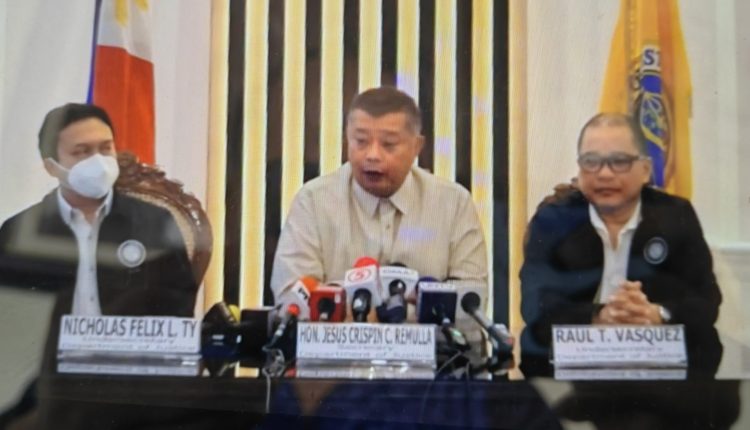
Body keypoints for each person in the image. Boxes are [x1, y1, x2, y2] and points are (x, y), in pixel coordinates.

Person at [520, 112, 722, 376]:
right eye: (591, 162)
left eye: (619, 162)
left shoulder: (675, 216)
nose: (604, 174)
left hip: (659, 373)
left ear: (645, 170)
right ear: (579, 169)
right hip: (573, 376)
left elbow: (706, 301)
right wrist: (599, 316)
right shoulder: (553, 221)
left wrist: (657, 313)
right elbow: (534, 305)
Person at [270, 86, 488, 313]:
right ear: (347, 140)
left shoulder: (453, 203)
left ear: (416, 147)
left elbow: (472, 301)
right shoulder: (314, 201)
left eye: (388, 144)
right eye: (361, 141)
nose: (372, 155)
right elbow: (290, 297)